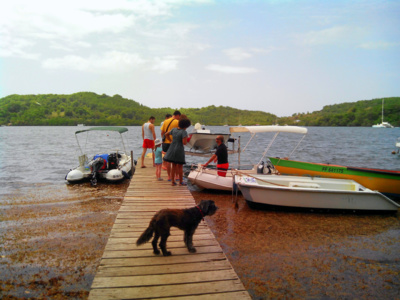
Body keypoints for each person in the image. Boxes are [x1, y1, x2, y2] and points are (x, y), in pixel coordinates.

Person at [163, 118, 191, 186]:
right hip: (179, 149)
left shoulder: (174, 129)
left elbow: (166, 134)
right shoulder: (183, 132)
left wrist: (170, 140)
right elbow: (184, 143)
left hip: (172, 148)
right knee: (180, 166)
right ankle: (181, 182)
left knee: (174, 165)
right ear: (185, 126)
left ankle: (173, 182)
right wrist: (188, 139)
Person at [160, 110, 181, 180]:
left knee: (168, 161)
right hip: (174, 143)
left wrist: (163, 140)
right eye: (179, 117)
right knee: (176, 161)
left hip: (165, 142)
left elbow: (162, 132)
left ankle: (169, 176)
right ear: (177, 115)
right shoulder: (177, 122)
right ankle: (176, 176)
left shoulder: (165, 121)